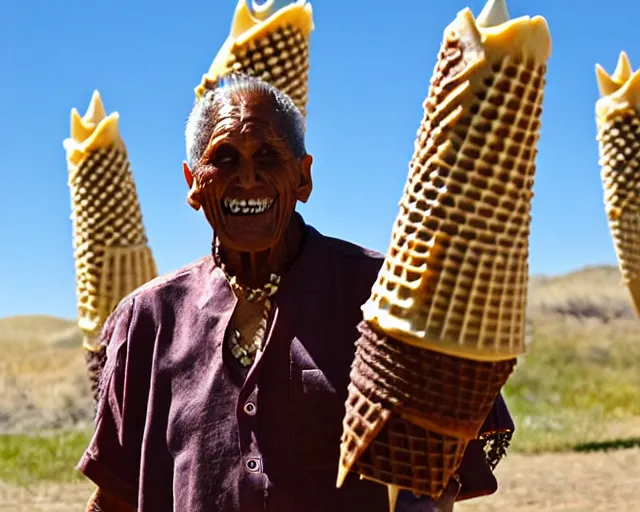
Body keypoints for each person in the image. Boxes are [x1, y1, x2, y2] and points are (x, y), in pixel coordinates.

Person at [78, 74, 514, 512]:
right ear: (193, 182)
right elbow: (116, 494)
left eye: (267, 155)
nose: (247, 177)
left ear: (303, 177)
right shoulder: (148, 319)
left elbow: (433, 481)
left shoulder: (385, 296)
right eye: (224, 158)